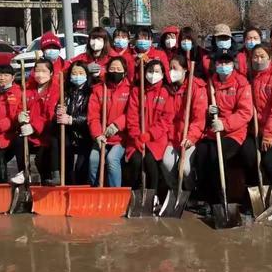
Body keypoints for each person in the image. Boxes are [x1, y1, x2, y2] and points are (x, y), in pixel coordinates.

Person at [197, 51, 253, 211]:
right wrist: (208, 111)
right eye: (220, 63)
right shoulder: (210, 83)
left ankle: (223, 199)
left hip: (233, 132)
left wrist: (225, 124)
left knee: (217, 157)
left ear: (232, 64)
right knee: (201, 153)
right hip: (213, 131)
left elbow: (245, 112)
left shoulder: (241, 83)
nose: (223, 66)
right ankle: (206, 198)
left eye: (226, 63)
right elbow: (200, 105)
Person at [126, 60, 174, 202]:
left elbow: (166, 119)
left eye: (157, 71)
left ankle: (153, 196)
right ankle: (134, 195)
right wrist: (136, 136)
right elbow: (132, 116)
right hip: (137, 138)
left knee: (150, 160)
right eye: (150, 71)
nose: (153, 75)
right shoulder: (137, 91)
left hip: (156, 139)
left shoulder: (166, 92)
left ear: (163, 74)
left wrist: (150, 134)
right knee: (135, 161)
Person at [245, 43, 272, 194]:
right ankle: (254, 194)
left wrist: (269, 134)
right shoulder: (249, 78)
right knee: (249, 157)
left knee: (271, 163)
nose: (258, 60)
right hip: (254, 130)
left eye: (262, 56)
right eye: (255, 56)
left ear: (269, 58)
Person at [162, 55, 208, 190]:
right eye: (169, 68)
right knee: (167, 163)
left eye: (175, 68)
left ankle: (190, 192)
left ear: (185, 70)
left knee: (185, 168)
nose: (171, 71)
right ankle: (175, 191)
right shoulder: (168, 89)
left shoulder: (196, 87)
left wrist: (191, 137)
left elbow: (199, 118)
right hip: (172, 137)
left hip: (190, 137)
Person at [12, 59, 60, 185]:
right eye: (37, 71)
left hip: (46, 132)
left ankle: (48, 182)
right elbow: (20, 107)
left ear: (51, 73)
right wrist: (19, 116)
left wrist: (34, 126)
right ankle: (24, 172)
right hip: (28, 131)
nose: (40, 74)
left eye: (44, 71)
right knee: (18, 140)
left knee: (42, 161)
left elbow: (50, 114)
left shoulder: (55, 89)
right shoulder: (28, 88)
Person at [88, 56, 131, 187]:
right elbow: (93, 116)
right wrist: (97, 134)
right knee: (93, 160)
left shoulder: (130, 90)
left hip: (121, 138)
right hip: (102, 136)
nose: (115, 71)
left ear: (124, 72)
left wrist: (117, 124)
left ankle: (115, 193)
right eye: (112, 68)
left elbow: (132, 113)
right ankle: (96, 191)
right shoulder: (99, 90)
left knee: (112, 159)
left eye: (119, 69)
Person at [55, 61, 92, 185]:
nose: (77, 76)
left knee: (82, 167)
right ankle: (67, 184)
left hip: (86, 134)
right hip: (69, 134)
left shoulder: (91, 92)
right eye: (74, 73)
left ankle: (82, 189)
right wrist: (59, 111)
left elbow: (91, 116)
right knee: (65, 159)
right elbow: (58, 112)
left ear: (86, 75)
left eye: (81, 73)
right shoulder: (66, 92)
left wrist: (72, 119)